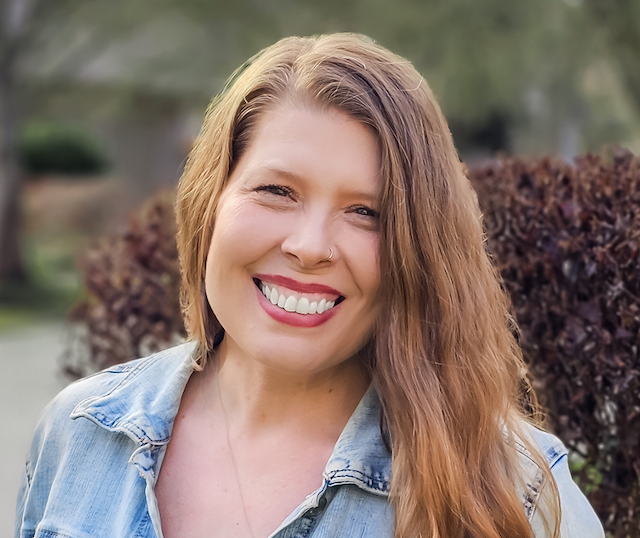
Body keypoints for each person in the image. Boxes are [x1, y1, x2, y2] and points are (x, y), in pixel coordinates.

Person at [15, 33, 604, 538]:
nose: (309, 245)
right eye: (277, 191)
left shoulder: (514, 493)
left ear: (419, 249)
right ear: (210, 202)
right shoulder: (80, 433)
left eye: (367, 213)